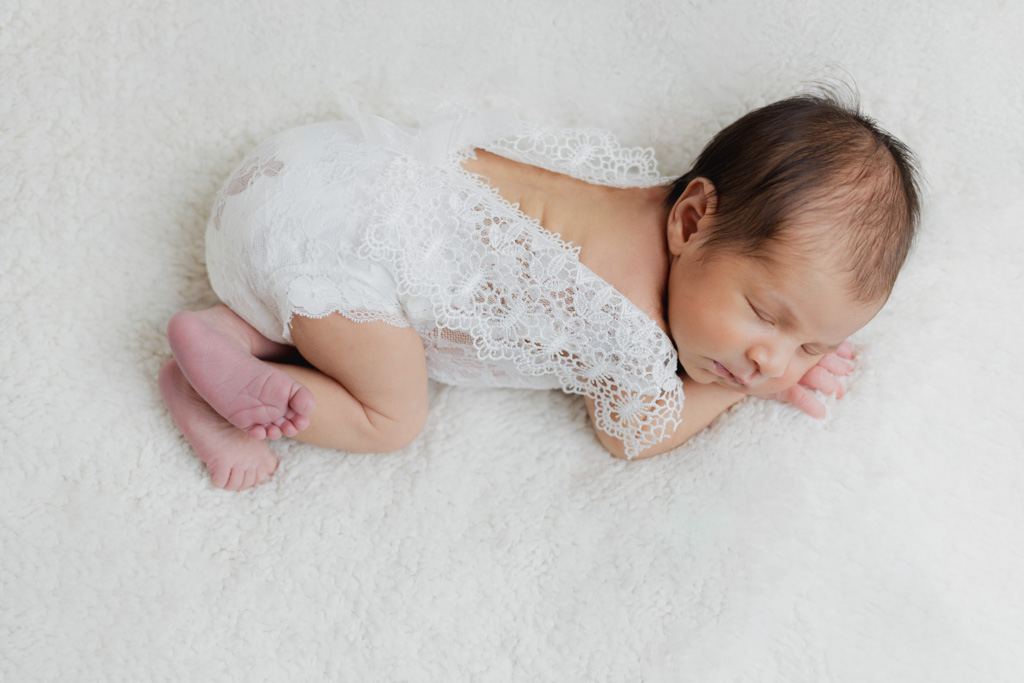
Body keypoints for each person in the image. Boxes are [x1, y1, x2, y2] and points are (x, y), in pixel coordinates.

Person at [159, 92, 921, 491]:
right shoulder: (622, 320)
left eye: (811, 346)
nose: (769, 360)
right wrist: (736, 395)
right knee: (392, 414)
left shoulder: (626, 181)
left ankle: (232, 332)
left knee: (349, 306)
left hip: (304, 177)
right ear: (692, 218)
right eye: (765, 314)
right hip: (333, 245)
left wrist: (768, 346)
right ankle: (214, 398)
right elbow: (632, 434)